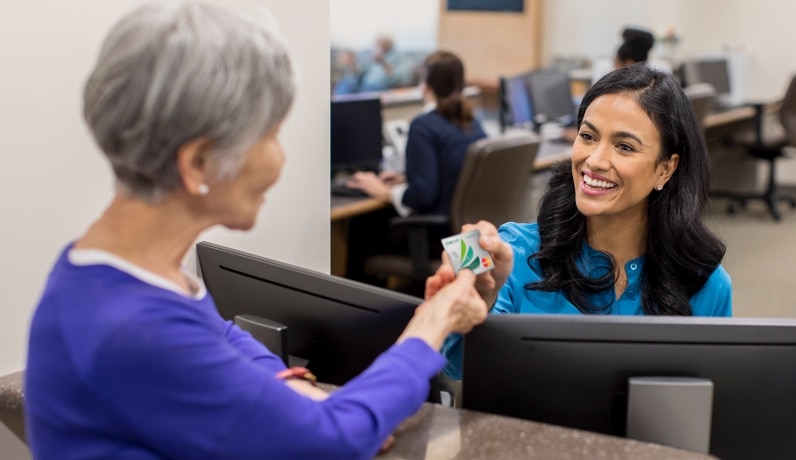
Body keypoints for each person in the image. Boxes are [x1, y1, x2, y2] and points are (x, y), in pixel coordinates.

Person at [24, 3, 488, 459]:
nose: (280, 160)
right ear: (197, 163)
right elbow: (333, 440)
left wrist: (285, 388)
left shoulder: (124, 269)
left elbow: (219, 335)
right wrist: (432, 323)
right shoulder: (131, 329)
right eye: (269, 136)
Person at [434, 63, 733, 380]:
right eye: (588, 136)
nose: (594, 160)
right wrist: (477, 297)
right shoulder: (513, 251)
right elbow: (457, 368)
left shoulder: (705, 281)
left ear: (665, 169)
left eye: (624, 146)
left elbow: (704, 402)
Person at [343, 51, 487, 291]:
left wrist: (383, 191)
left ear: (425, 86)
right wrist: (408, 177)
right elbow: (455, 173)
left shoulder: (423, 125)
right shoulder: (473, 122)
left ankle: (358, 312)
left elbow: (423, 195)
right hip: (469, 241)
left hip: (440, 240)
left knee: (363, 222)